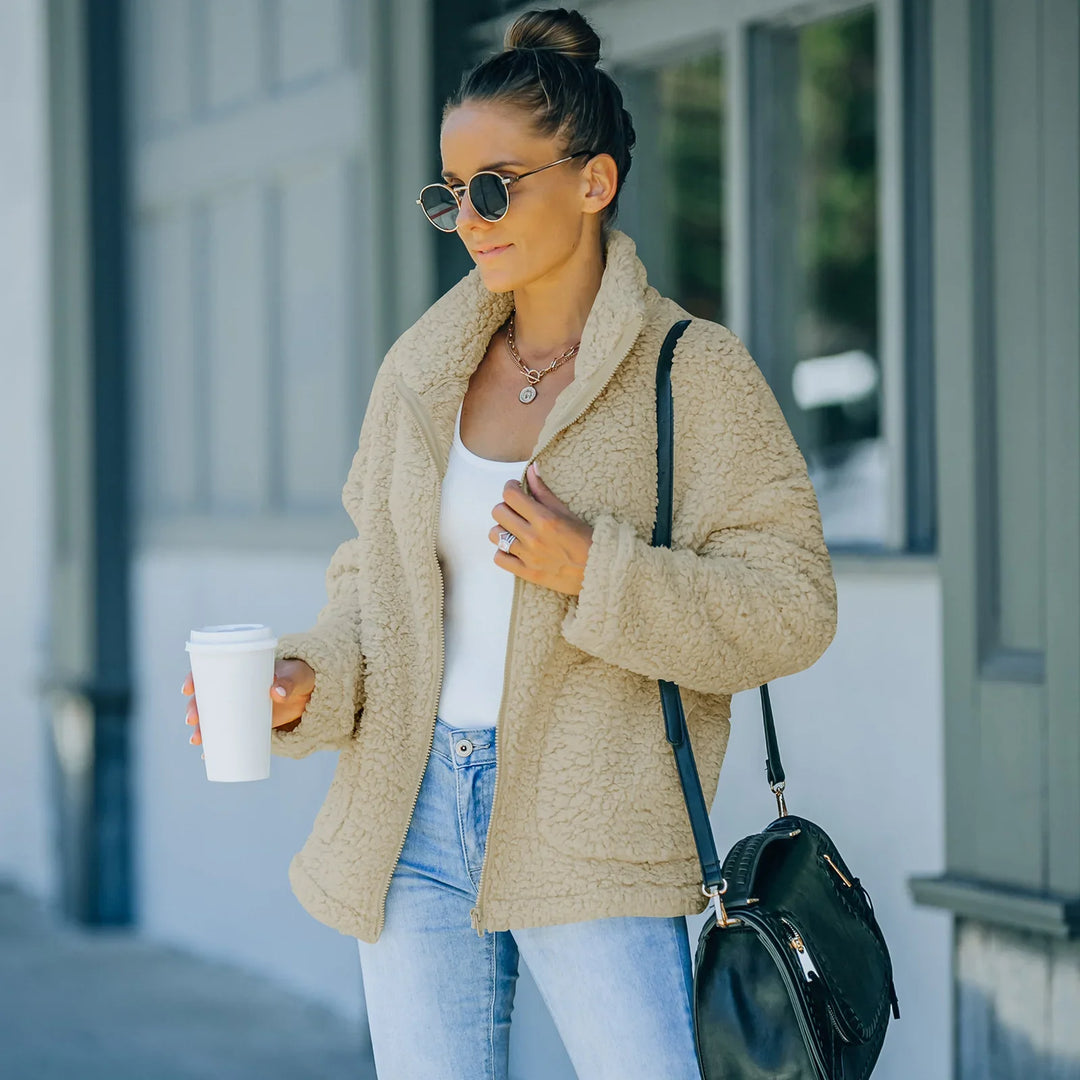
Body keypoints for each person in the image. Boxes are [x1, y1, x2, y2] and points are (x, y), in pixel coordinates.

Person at [182, 7, 837, 1077]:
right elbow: (376, 583)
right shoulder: (420, 373)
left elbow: (796, 604)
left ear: (594, 181)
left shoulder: (695, 372)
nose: (471, 217)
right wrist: (311, 673)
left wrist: (600, 571)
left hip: (594, 820)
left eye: (497, 185)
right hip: (413, 811)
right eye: (452, 195)